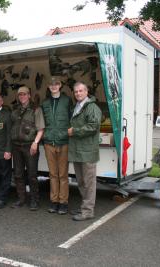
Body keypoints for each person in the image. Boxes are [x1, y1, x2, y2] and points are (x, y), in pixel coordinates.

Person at [68, 82, 102, 221]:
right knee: (81, 181)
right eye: (76, 91)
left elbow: (93, 126)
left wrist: (74, 131)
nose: (78, 93)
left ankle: (88, 211)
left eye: (81, 91)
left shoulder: (92, 107)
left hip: (88, 151)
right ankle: (85, 206)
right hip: (78, 151)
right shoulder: (78, 106)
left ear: (86, 92)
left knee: (89, 182)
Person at [41, 77, 73, 215]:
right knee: (53, 174)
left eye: (56, 84)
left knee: (63, 175)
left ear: (60, 86)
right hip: (49, 142)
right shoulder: (45, 103)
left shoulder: (67, 101)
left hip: (64, 142)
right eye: (51, 84)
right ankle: (54, 202)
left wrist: (69, 133)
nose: (54, 86)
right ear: (48, 87)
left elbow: (72, 118)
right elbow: (42, 123)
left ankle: (63, 202)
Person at [10, 86, 45, 211]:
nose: (22, 96)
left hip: (30, 146)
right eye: (20, 95)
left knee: (32, 175)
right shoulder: (15, 110)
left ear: (29, 95)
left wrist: (35, 142)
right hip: (16, 146)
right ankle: (21, 198)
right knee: (18, 174)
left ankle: (34, 200)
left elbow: (41, 129)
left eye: (24, 94)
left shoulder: (36, 109)